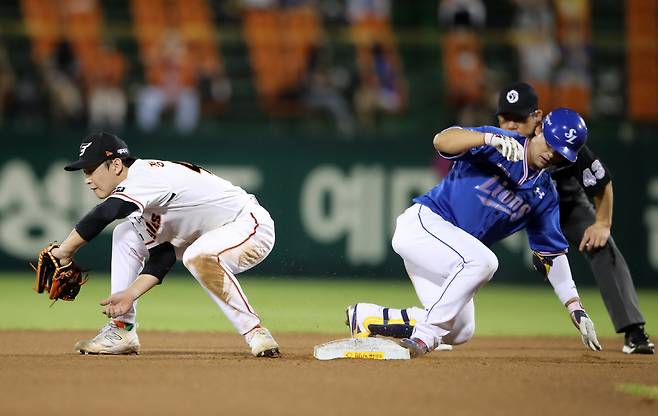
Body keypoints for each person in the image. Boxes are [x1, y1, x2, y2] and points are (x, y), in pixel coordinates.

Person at [346, 108, 602, 357]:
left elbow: (552, 254)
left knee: (460, 331)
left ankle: (368, 317)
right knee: (484, 261)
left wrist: (575, 307)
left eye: (560, 154)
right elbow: (442, 141)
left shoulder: (545, 195)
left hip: (453, 257)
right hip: (423, 226)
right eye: (550, 144)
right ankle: (424, 336)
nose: (551, 154)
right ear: (538, 130)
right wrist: (487, 138)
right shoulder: (501, 142)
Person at [49, 132, 280, 358]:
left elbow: (106, 213)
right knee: (125, 235)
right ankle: (122, 329)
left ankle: (255, 331)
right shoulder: (140, 203)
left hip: (249, 225)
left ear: (116, 165)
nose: (87, 179)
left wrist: (65, 251)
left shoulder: (144, 177)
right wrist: (130, 294)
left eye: (91, 169)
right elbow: (163, 256)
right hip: (208, 236)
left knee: (197, 255)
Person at [493, 82, 653, 354]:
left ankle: (634, 332)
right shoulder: (493, 140)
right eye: (505, 118)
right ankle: (440, 324)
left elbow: (602, 182)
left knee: (601, 245)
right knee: (462, 244)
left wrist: (602, 223)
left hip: (565, 208)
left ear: (537, 118)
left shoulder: (561, 138)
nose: (511, 125)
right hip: (508, 206)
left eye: (519, 119)